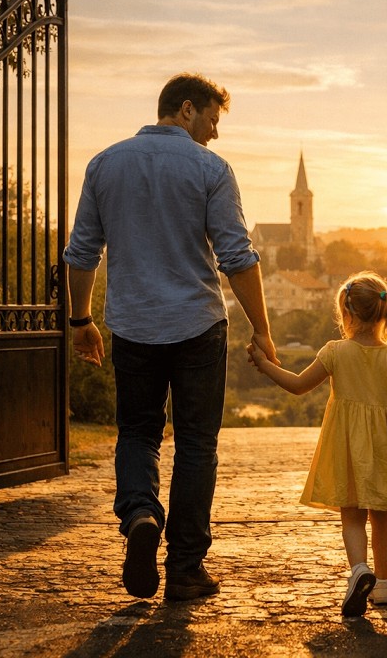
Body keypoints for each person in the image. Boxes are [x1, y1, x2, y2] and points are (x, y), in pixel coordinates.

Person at [62, 72, 277, 603]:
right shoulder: (211, 169)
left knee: (137, 433)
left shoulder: (104, 164)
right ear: (185, 110)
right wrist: (262, 329)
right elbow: (237, 257)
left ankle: (139, 514)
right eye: (212, 119)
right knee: (197, 446)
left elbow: (81, 250)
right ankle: (184, 568)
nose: (215, 133)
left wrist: (81, 320)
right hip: (198, 327)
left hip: (133, 325)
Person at [246, 271, 387, 617]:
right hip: (384, 447)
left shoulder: (335, 351)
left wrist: (263, 364)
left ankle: (358, 571)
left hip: (346, 446)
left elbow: (298, 385)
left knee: (352, 516)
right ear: (384, 314)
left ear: (346, 313)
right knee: (382, 516)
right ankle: (382, 585)